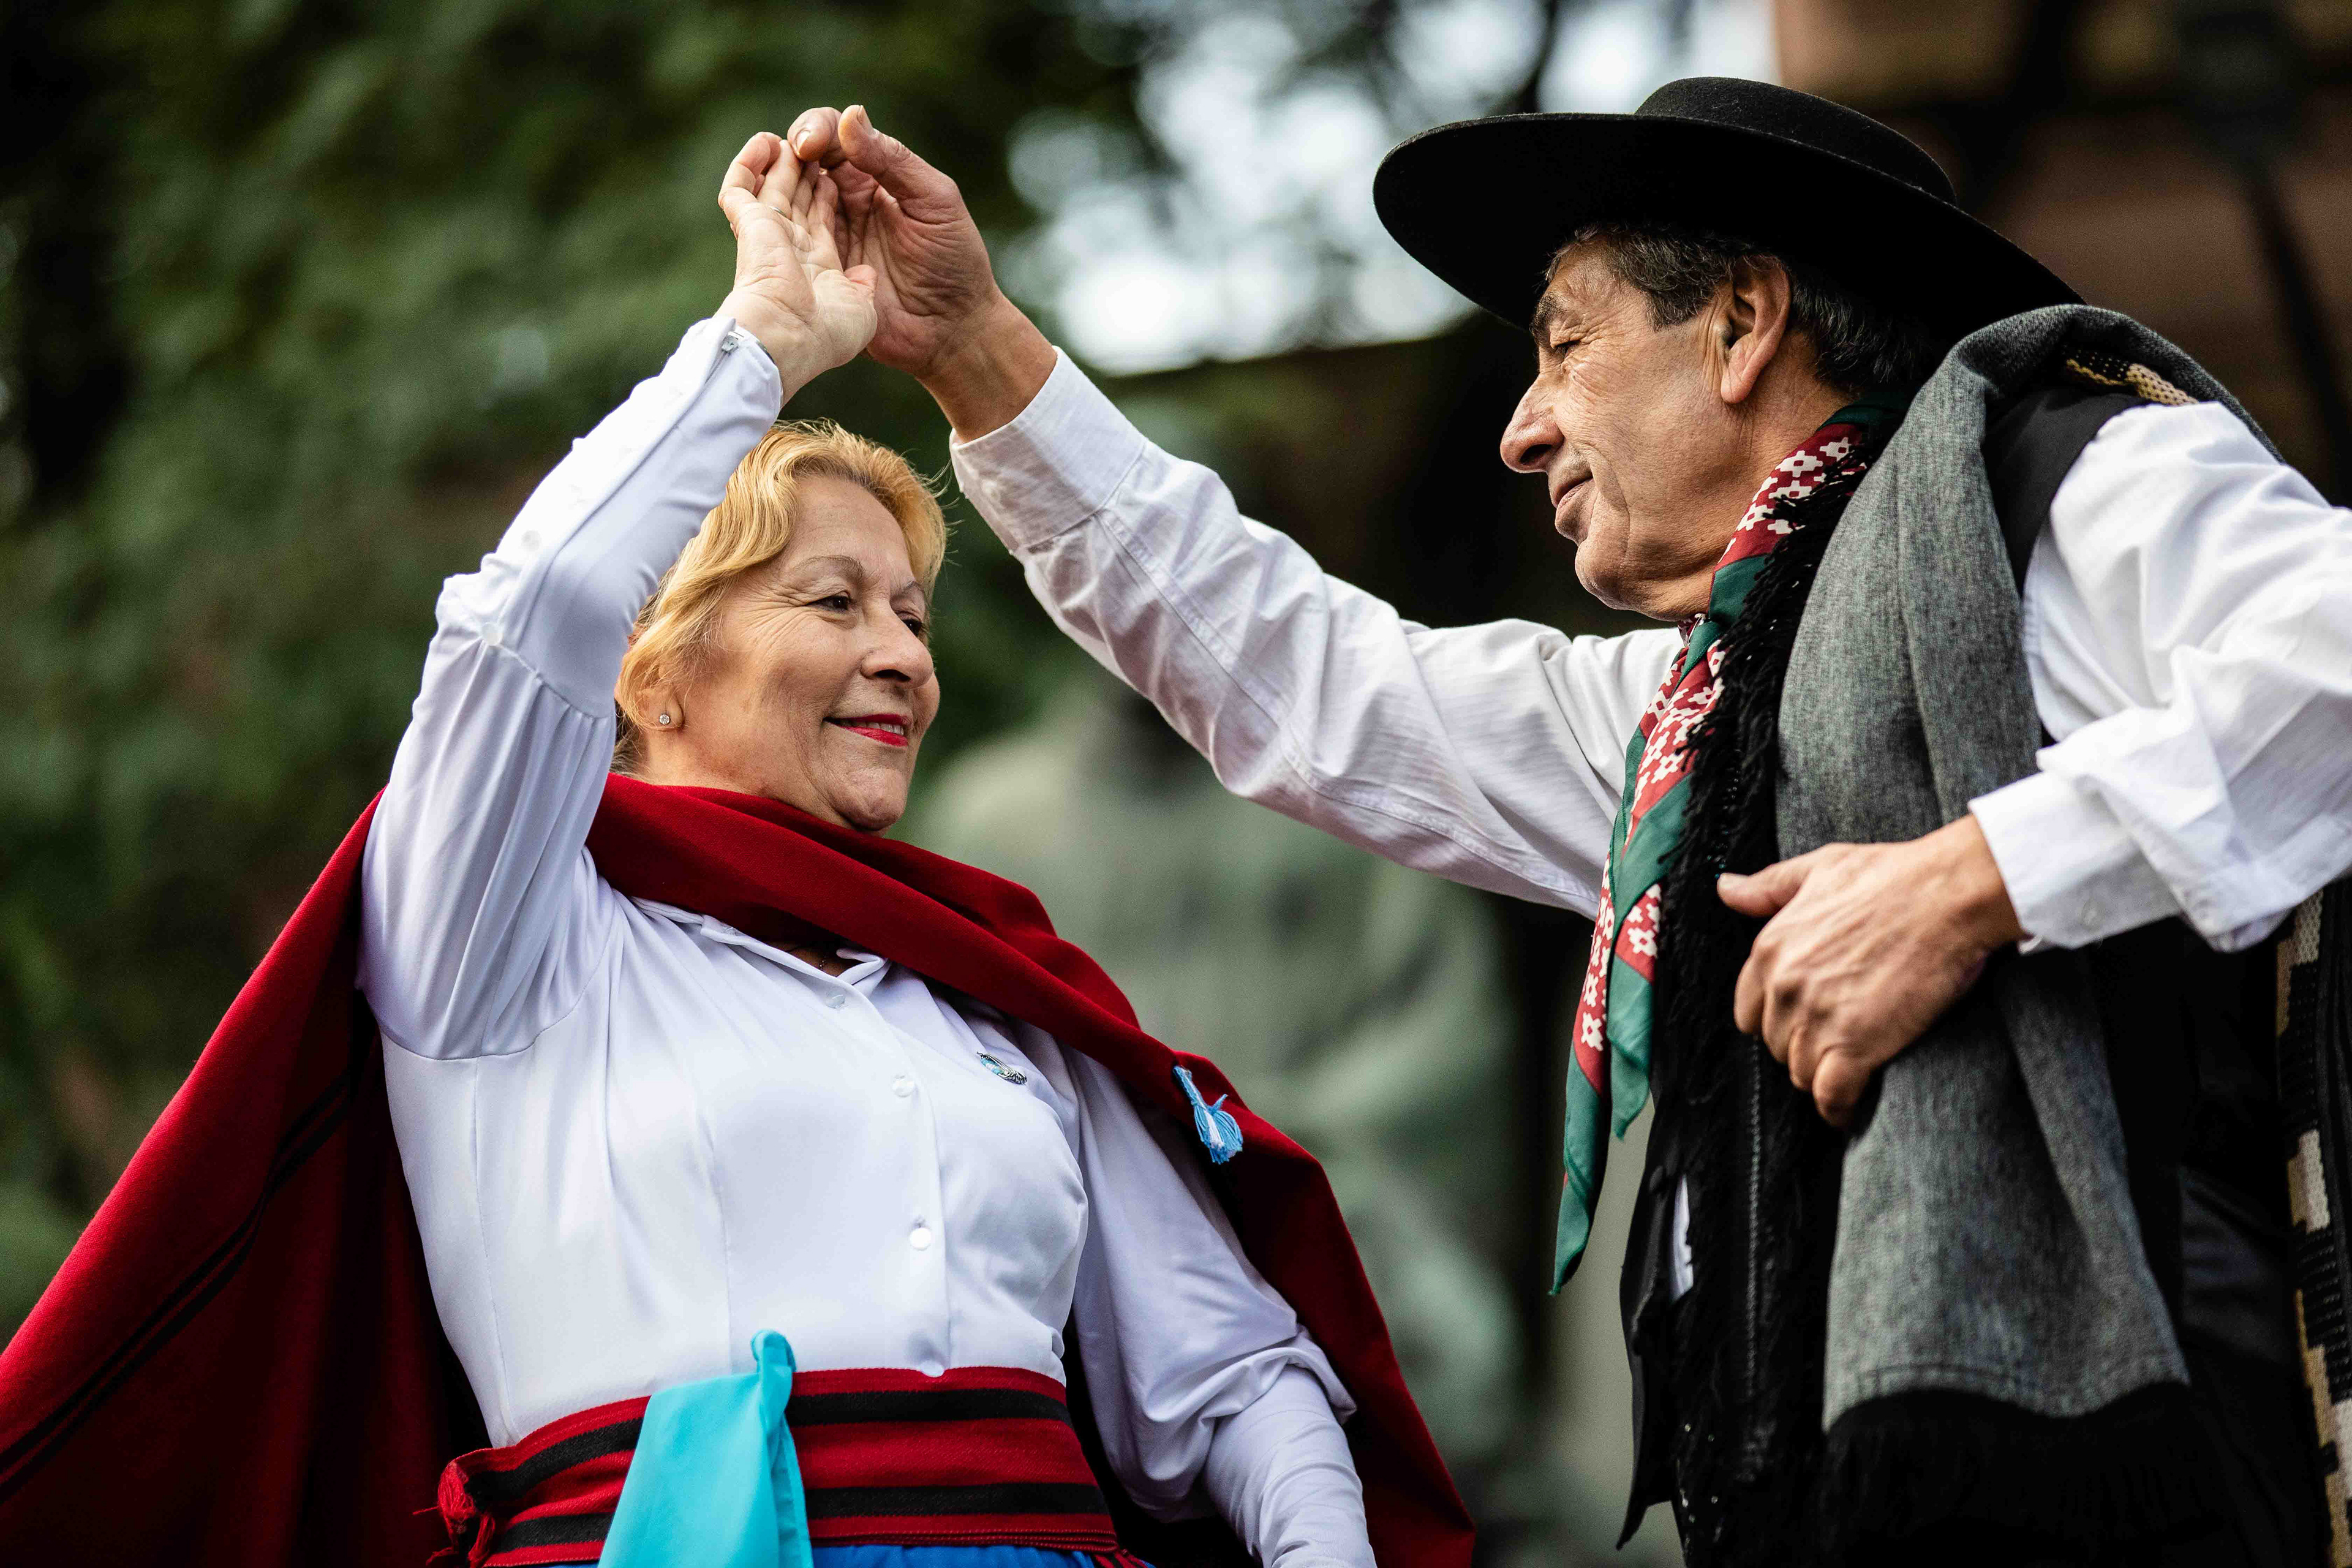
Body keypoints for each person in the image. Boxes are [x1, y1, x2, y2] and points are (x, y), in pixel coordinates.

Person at [780, 78, 2352, 1566]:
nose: (1523, 425)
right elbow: (1311, 680)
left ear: (1740, 322)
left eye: (1566, 344)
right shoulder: (1690, 718)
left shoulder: (2062, 487)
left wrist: (1974, 876)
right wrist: (975, 347)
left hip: (2155, 1469)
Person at [0, 135, 1469, 1568]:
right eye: (833, 601)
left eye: (913, 615)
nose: (900, 654)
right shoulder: (503, 942)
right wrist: (764, 336)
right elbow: (540, 612)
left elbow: (1232, 1375)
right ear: (660, 667)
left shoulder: (992, 989)